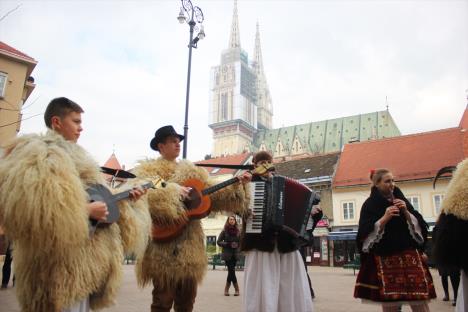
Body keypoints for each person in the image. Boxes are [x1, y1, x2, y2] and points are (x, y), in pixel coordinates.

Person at [0, 97, 150, 312]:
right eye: (76, 121)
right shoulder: (38, 153)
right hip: (55, 268)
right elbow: (32, 209)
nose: (81, 128)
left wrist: (127, 196)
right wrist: (85, 211)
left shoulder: (80, 159)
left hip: (83, 267)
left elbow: (98, 197)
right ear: (57, 122)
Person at [133, 125, 251, 312]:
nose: (177, 144)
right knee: (161, 303)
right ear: (160, 146)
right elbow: (149, 191)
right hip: (163, 249)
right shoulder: (150, 171)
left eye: (178, 140)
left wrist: (237, 186)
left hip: (190, 251)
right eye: (172, 141)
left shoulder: (193, 172)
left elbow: (214, 195)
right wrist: (173, 191)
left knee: (187, 304)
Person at [241, 151, 314, 312]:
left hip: (286, 245)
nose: (265, 164)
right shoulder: (248, 183)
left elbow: (300, 209)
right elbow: (236, 208)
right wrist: (244, 209)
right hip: (261, 244)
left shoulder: (283, 183)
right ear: (255, 165)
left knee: (289, 287)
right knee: (264, 286)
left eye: (268, 161)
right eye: (261, 162)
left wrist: (311, 212)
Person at [354, 168, 436, 312]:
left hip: (410, 256)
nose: (392, 184)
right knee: (390, 302)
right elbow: (364, 234)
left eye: (393, 180)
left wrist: (406, 211)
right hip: (387, 257)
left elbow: (420, 225)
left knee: (419, 299)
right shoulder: (370, 204)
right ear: (377, 184)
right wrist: (384, 218)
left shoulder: (401, 199)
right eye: (387, 181)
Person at [433, 158, 468, 311]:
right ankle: (448, 294)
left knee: (455, 279)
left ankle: (452, 296)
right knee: (446, 278)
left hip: (456, 254)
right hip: (456, 254)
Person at [299, 205, 323, 299]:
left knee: (301, 267)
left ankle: (308, 292)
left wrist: (317, 212)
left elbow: (317, 216)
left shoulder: (312, 200)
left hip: (298, 239)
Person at [217, 215, 241, 296]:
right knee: (232, 270)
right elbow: (218, 241)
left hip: (235, 254)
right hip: (227, 254)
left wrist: (237, 245)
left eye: (233, 219)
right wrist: (227, 244)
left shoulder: (238, 231)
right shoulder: (224, 231)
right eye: (230, 219)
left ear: (235, 221)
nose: (232, 221)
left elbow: (241, 242)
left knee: (231, 272)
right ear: (228, 221)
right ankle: (236, 289)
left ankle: (226, 290)